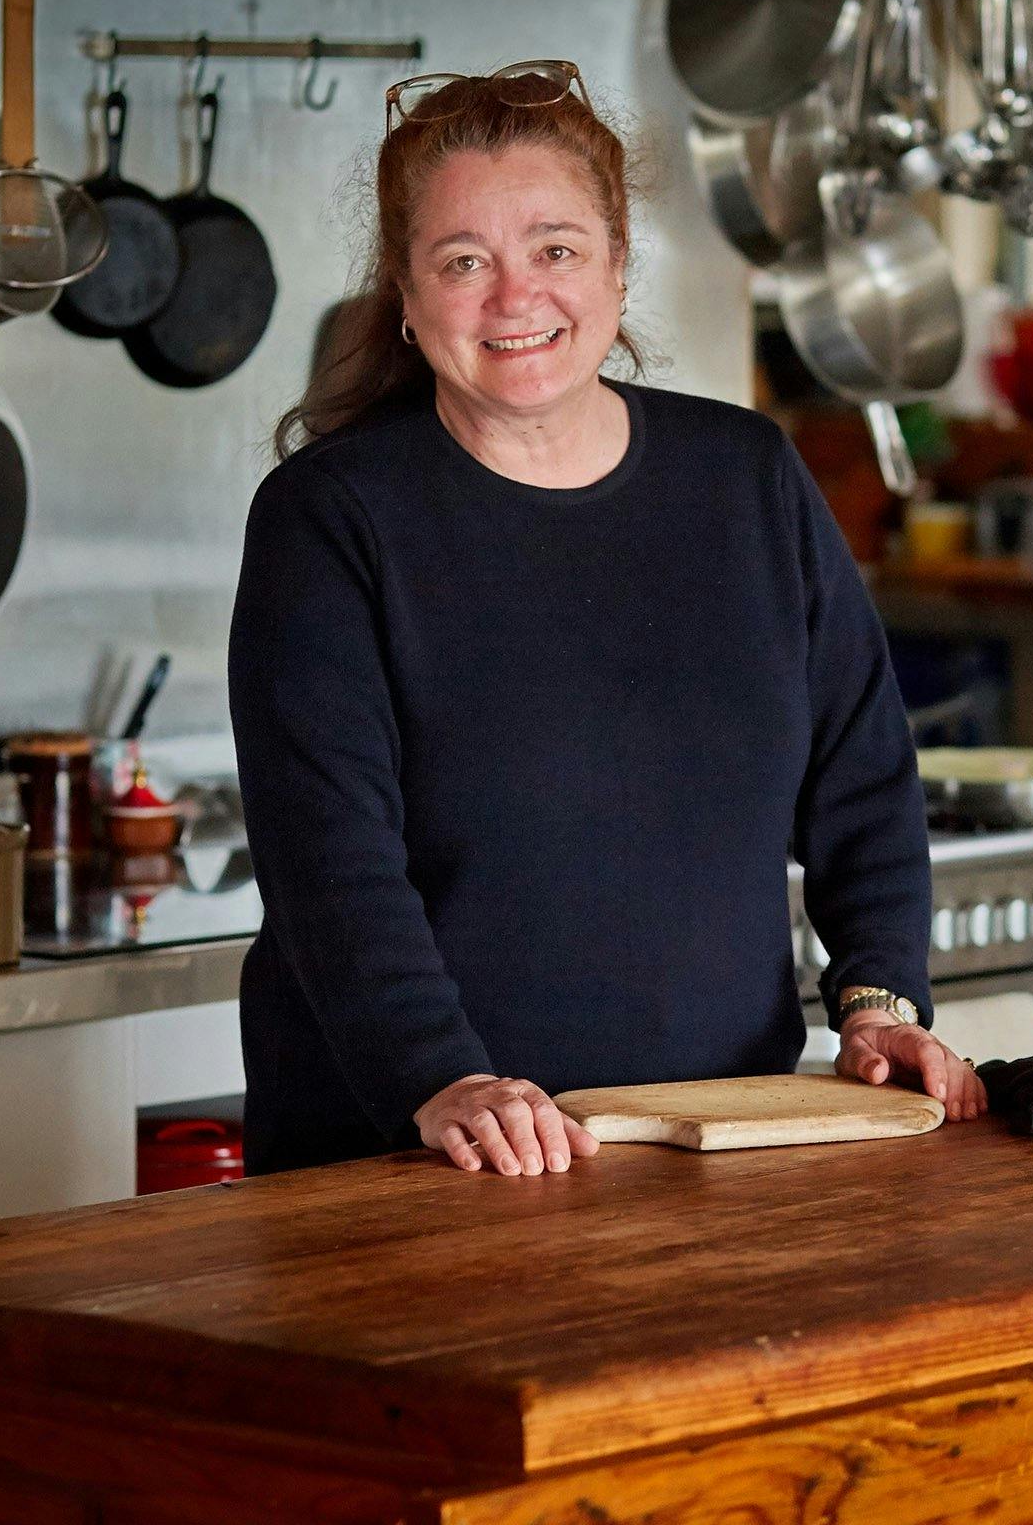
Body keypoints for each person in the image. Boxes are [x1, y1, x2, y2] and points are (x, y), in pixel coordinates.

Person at [229, 59, 981, 1178]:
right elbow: (329, 860)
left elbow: (862, 773)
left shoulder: (747, 477)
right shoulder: (331, 520)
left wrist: (877, 997)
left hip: (716, 1145)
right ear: (405, 288)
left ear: (620, 265)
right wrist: (442, 1075)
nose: (515, 297)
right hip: (423, 1156)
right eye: (463, 260)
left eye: (556, 250)